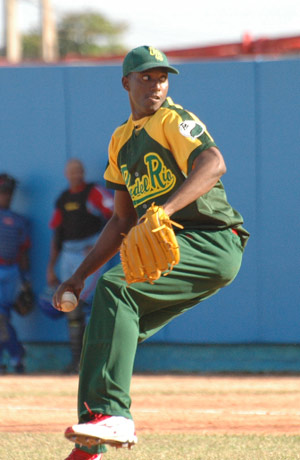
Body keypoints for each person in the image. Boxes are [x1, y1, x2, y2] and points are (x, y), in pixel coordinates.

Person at [53, 46, 250, 460]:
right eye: (146, 77)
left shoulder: (173, 120)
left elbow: (214, 163)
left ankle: (113, 415)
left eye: (162, 77)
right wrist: (79, 275)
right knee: (108, 326)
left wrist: (166, 209)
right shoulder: (120, 142)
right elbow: (121, 222)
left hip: (213, 239)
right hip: (175, 246)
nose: (156, 85)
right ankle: (94, 439)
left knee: (118, 287)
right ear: (126, 82)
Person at [47, 159, 114, 373]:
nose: (75, 175)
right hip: (68, 253)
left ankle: (94, 362)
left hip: (89, 254)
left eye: (78, 171)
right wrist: (51, 266)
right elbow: (57, 233)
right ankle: (77, 360)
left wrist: (97, 245)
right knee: (70, 307)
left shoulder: (94, 192)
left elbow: (116, 215)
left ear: (83, 172)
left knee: (85, 304)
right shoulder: (63, 199)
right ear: (66, 174)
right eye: (71, 172)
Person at [0, 173, 31, 374]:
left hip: (12, 271)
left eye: (8, 193)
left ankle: (14, 357)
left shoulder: (19, 221)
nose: (6, 196)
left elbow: (24, 251)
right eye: (3, 192)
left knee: (3, 317)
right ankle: (16, 355)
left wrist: (26, 280)